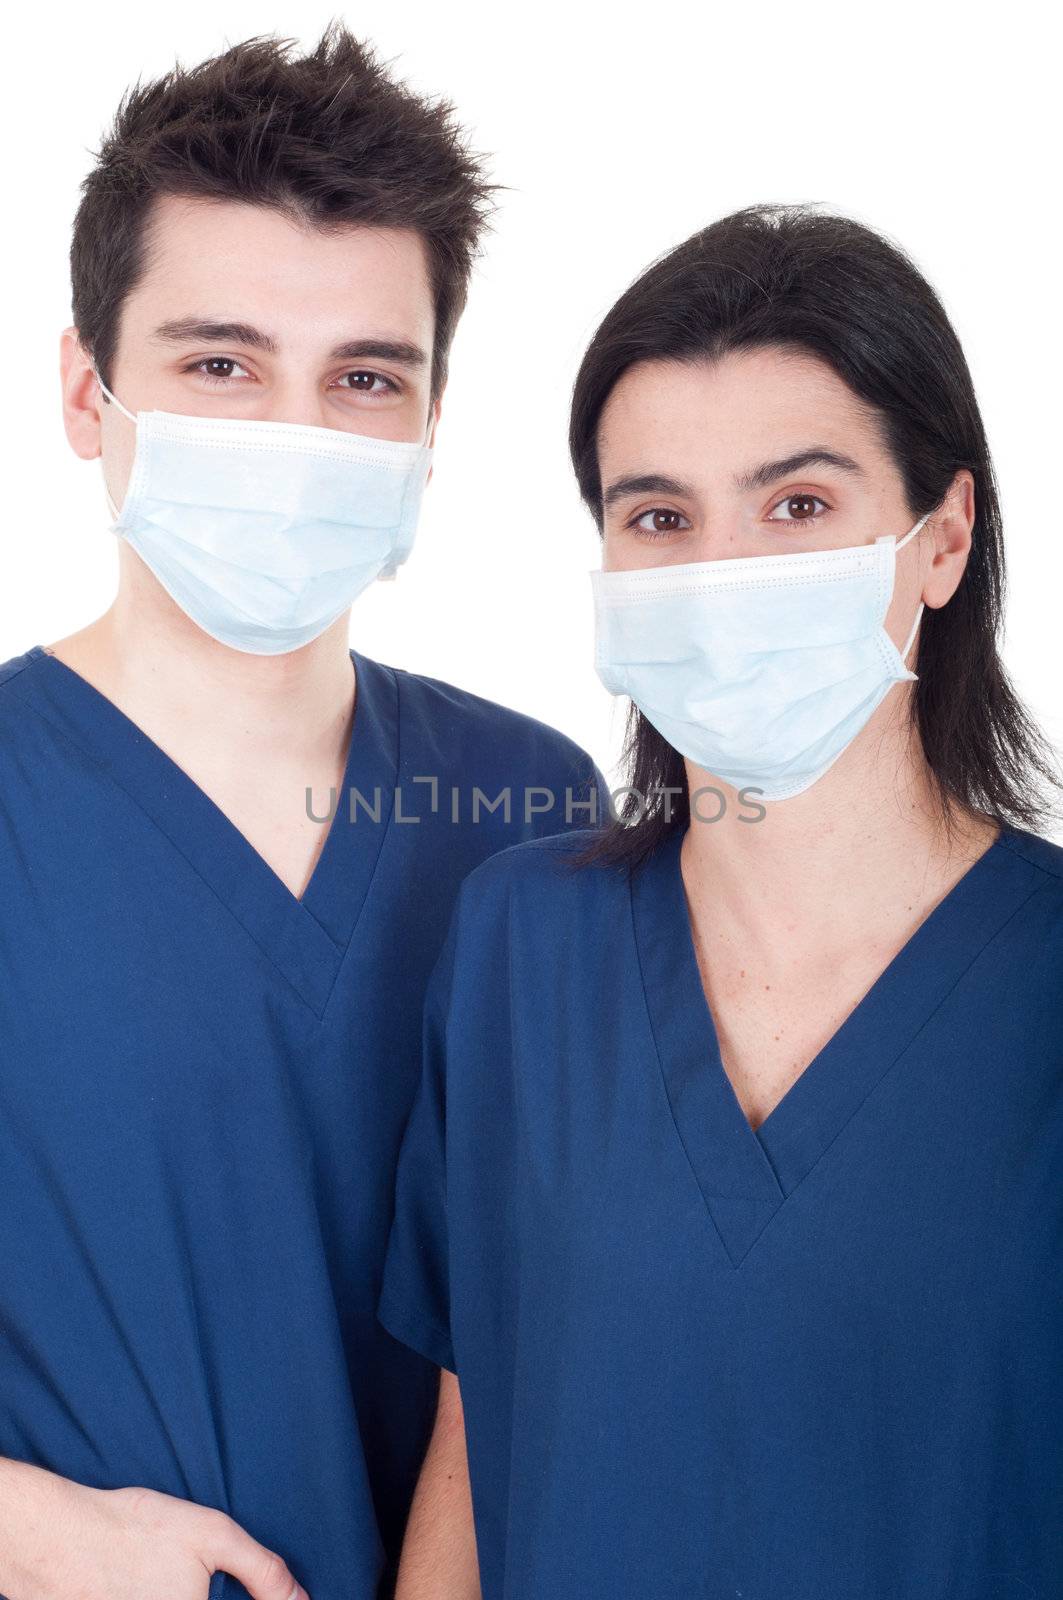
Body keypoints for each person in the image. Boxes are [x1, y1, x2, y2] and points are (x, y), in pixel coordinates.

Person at [377, 202, 1063, 1598]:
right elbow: (474, 1441)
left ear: (941, 540)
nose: (723, 576)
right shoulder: (523, 948)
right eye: (660, 517)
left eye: (799, 506)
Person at [0, 25, 605, 1600]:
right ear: (85, 389)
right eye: (219, 364)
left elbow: (589, 1321)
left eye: (363, 379)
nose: (291, 434)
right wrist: (39, 1538)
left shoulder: (535, 810)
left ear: (427, 428)